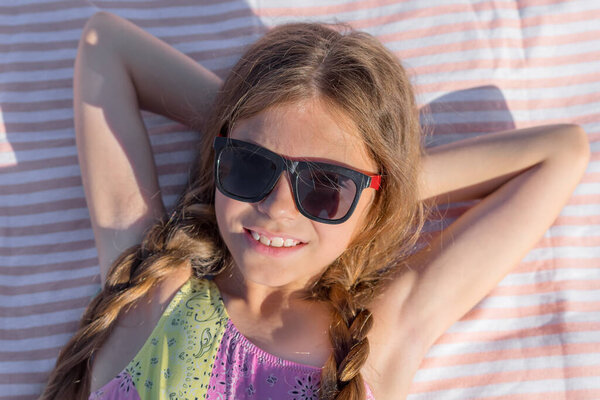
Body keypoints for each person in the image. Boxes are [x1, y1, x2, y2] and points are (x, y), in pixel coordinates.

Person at [40, 11, 589, 400]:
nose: (279, 208)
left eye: (326, 187)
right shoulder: (150, 290)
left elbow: (560, 154)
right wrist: (246, 121)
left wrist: (384, 185)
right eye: (251, 167)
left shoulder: (378, 337)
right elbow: (104, 44)